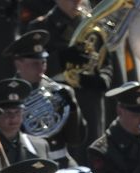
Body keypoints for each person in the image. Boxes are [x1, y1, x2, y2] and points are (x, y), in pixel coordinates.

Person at [5, 28, 83, 164]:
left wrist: (73, 108)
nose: (41, 69)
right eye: (35, 64)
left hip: (62, 162)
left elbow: (76, 140)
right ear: (18, 63)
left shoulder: (58, 91)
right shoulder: (7, 96)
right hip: (29, 164)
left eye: (44, 62)